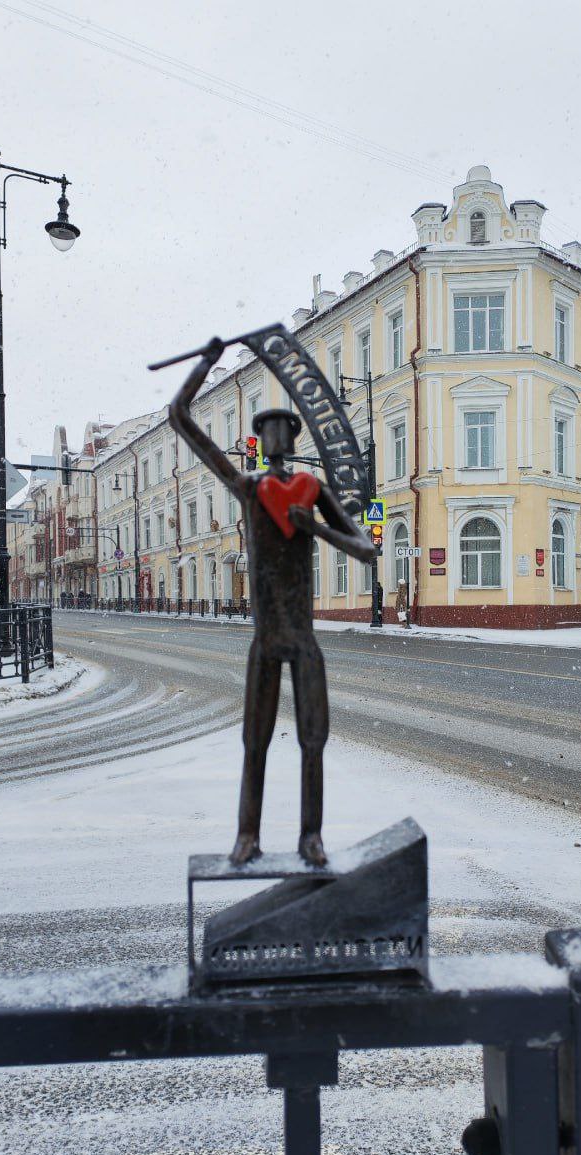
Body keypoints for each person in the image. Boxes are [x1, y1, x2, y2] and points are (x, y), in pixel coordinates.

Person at [169, 339, 374, 867]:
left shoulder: (310, 487)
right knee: (254, 742)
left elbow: (366, 548)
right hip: (266, 639)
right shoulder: (247, 486)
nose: (276, 436)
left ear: (293, 436)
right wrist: (207, 361)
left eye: (283, 428)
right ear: (258, 440)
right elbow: (180, 417)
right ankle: (247, 835)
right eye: (267, 429)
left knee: (313, 741)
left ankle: (312, 836)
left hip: (304, 639)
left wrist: (317, 530)